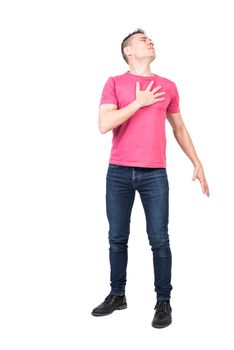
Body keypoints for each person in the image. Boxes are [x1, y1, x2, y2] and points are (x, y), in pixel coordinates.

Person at [91, 28, 210, 328]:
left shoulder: (167, 86)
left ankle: (164, 302)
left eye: (150, 39)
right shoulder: (115, 83)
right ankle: (118, 295)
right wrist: (138, 102)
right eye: (142, 39)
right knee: (117, 238)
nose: (149, 41)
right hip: (118, 172)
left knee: (159, 239)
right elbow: (104, 123)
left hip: (154, 174)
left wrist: (197, 162)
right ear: (128, 51)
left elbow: (179, 129)